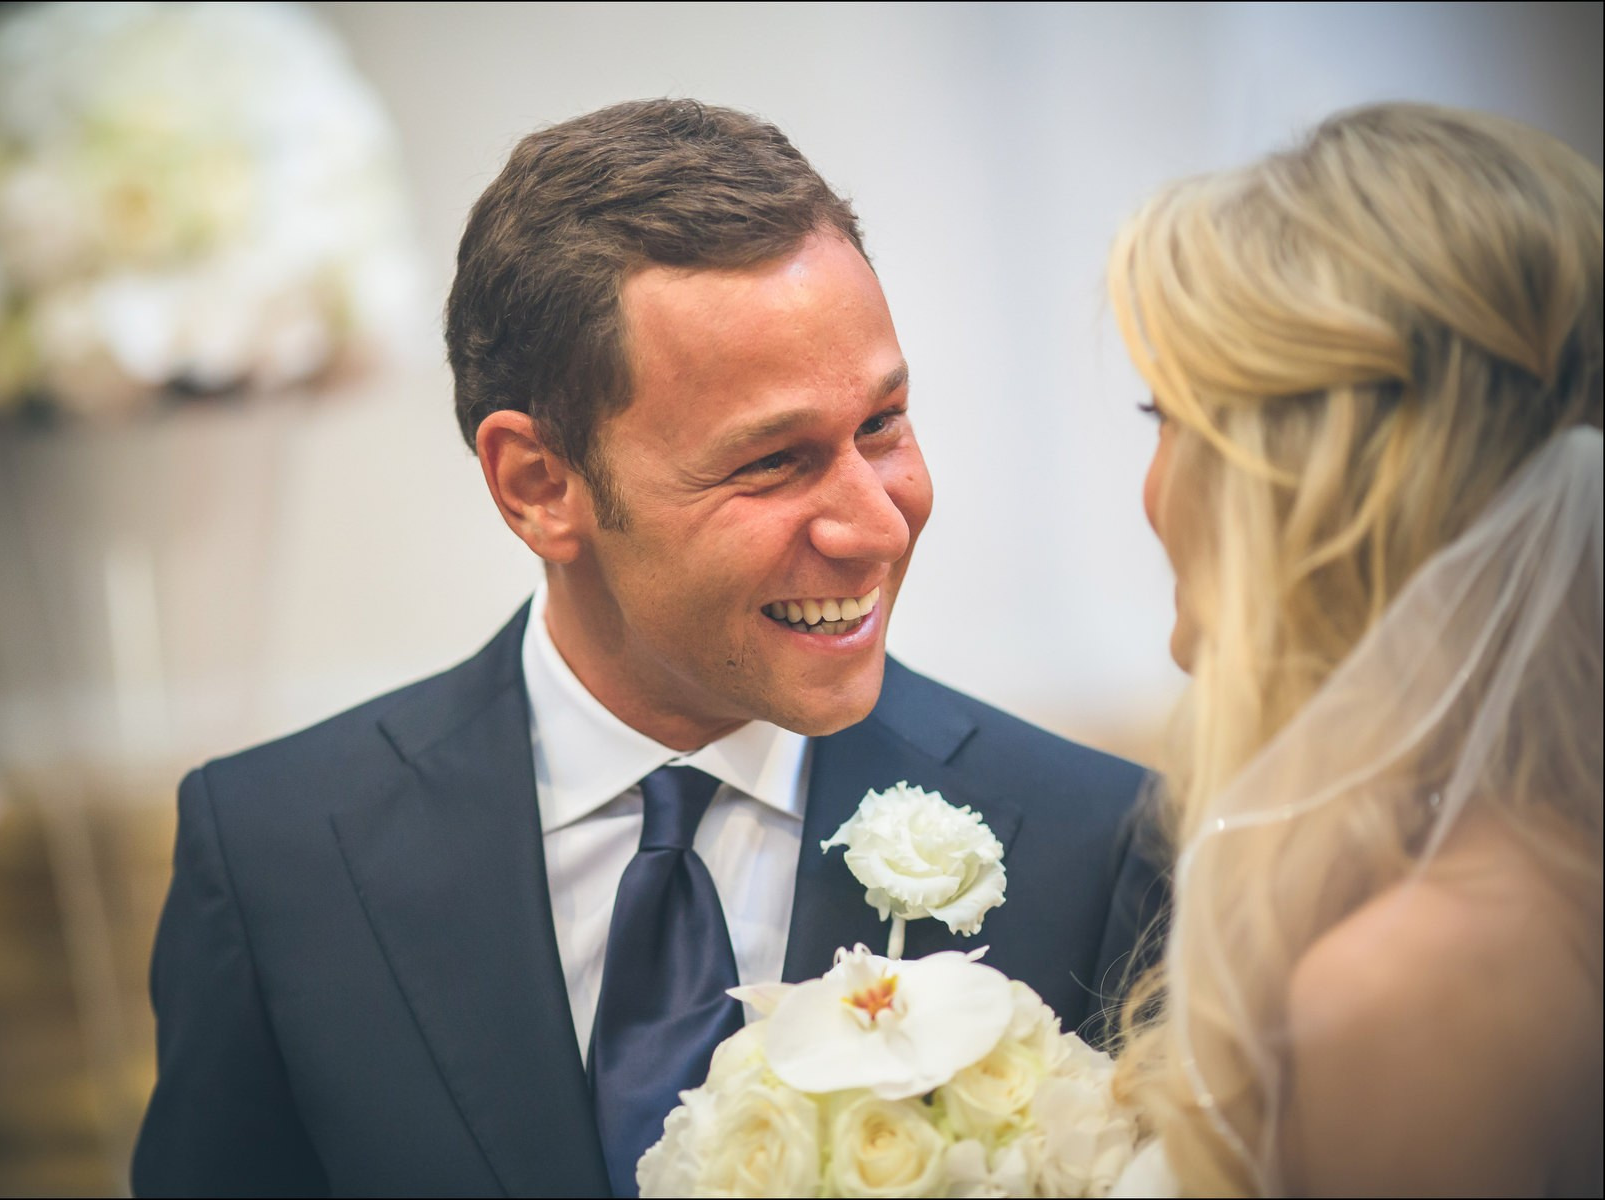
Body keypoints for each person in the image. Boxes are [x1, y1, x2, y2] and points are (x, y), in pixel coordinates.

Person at [131, 98, 1158, 1197]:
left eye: (880, 425)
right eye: (771, 461)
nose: (875, 525)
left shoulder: (1095, 846)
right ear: (539, 485)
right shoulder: (281, 855)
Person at [1107, 103, 1603, 1197]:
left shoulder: (1409, 993)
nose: (1150, 489)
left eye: (1166, 416)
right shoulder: (1487, 861)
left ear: (1301, 482)